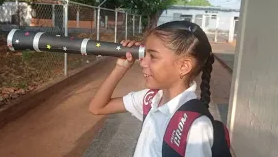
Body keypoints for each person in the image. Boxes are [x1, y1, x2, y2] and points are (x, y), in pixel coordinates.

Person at [88, 20, 215, 157]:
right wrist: (121, 67)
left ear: (184, 67)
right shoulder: (150, 98)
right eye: (144, 54)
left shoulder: (196, 126)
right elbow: (98, 107)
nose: (142, 62)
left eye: (153, 56)